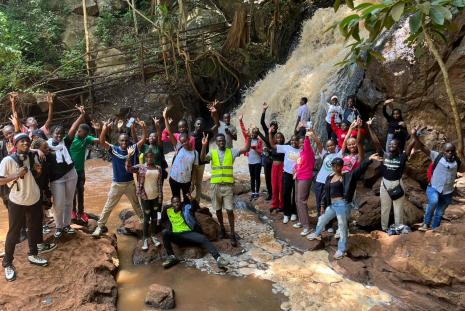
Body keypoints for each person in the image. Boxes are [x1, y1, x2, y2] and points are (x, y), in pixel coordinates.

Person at [0, 133, 49, 281]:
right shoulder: (7, 160)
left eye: (27, 141)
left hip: (33, 199)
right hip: (17, 201)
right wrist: (16, 175)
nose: (25, 143)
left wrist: (38, 172)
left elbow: (34, 176)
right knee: (14, 232)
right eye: (22, 141)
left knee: (34, 227)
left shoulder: (32, 156)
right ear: (15, 144)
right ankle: (8, 263)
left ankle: (33, 254)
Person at [307, 155, 375, 259]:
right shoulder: (329, 177)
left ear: (341, 166)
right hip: (332, 205)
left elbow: (359, 170)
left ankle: (341, 250)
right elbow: (326, 192)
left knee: (342, 226)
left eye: (338, 165)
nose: (336, 167)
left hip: (342, 204)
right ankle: (316, 233)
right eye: (334, 165)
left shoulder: (347, 176)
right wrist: (322, 204)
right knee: (322, 219)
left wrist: (369, 159)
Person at [92, 119, 146, 237]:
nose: (124, 142)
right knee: (108, 206)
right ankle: (100, 226)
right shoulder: (114, 149)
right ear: (118, 141)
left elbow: (142, 140)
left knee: (136, 204)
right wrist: (104, 128)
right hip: (117, 184)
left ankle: (143, 221)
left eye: (126, 140)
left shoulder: (132, 148)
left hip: (130, 183)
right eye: (122, 140)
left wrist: (143, 128)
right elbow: (101, 141)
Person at [200, 132, 251, 247]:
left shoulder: (231, 151)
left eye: (223, 140)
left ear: (225, 141)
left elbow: (246, 148)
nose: (221, 142)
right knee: (218, 209)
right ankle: (222, 228)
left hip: (228, 186)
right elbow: (202, 158)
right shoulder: (212, 153)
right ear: (216, 143)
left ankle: (232, 234)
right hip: (215, 186)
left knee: (229, 210)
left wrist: (248, 137)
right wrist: (204, 145)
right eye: (219, 141)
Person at [367, 117, 415, 231]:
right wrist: (369, 127)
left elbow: (410, 146)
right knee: (385, 208)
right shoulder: (384, 155)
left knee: (398, 209)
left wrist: (415, 135)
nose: (391, 146)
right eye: (390, 145)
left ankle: (399, 228)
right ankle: (384, 229)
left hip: (397, 184)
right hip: (385, 184)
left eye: (393, 145)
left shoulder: (402, 157)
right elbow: (376, 143)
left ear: (398, 147)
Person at [47, 106, 85, 238]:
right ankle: (58, 226)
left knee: (69, 201)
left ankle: (67, 224)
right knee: (58, 203)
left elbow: (73, 129)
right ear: (51, 134)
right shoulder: (46, 146)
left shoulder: (66, 142)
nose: (58, 135)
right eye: (56, 133)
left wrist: (81, 116)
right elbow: (35, 150)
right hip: (56, 179)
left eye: (60, 133)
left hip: (71, 174)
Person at [412, 130, 461, 231]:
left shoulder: (457, 161)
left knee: (439, 213)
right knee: (434, 201)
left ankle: (435, 229)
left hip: (448, 192)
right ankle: (425, 224)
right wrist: (415, 136)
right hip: (434, 187)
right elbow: (422, 147)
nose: (450, 153)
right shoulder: (437, 156)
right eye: (447, 151)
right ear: (443, 151)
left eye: (452, 151)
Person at [161, 196, 229, 269]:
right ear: (171, 204)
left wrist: (192, 199)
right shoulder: (168, 211)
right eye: (174, 202)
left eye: (178, 202)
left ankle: (218, 259)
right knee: (165, 232)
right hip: (176, 236)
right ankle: (171, 257)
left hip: (188, 234)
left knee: (203, 238)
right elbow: (161, 219)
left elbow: (194, 207)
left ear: (180, 202)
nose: (176, 204)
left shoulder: (185, 209)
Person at [126, 146, 163, 250]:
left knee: (155, 217)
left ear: (154, 158)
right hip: (145, 197)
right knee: (147, 218)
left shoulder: (158, 168)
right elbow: (128, 169)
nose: (150, 159)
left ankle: (153, 236)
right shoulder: (141, 167)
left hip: (155, 196)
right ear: (145, 158)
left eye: (151, 157)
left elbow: (159, 184)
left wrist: (160, 197)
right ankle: (145, 238)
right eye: (148, 157)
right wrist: (128, 156)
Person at [69, 123, 99, 224]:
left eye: (87, 134)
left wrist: (97, 130)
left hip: (81, 171)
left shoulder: (86, 138)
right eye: (84, 134)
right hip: (71, 171)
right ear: (79, 131)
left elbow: (98, 140)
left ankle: (81, 212)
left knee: (80, 192)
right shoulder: (71, 139)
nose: (85, 136)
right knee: (72, 193)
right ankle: (72, 211)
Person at [269, 129, 300, 224]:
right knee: (286, 193)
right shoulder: (286, 147)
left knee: (295, 194)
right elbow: (273, 145)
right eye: (292, 140)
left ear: (298, 142)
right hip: (287, 173)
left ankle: (294, 212)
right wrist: (270, 133)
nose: (293, 142)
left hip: (297, 174)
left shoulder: (301, 150)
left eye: (295, 140)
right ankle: (286, 214)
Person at [293, 128, 316, 236]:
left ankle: (307, 226)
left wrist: (306, 135)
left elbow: (306, 141)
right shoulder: (301, 152)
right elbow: (298, 164)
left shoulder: (308, 150)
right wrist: (294, 168)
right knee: (297, 200)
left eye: (303, 142)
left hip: (305, 177)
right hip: (297, 177)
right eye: (300, 142)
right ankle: (301, 221)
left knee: (302, 201)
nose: (301, 144)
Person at [167, 131, 198, 204]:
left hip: (186, 181)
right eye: (182, 142)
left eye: (185, 141)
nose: (184, 143)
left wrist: (192, 183)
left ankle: (186, 214)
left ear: (189, 139)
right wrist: (165, 119)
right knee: (176, 200)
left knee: (187, 200)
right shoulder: (179, 147)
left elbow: (194, 169)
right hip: (174, 179)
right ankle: (178, 215)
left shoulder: (195, 153)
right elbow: (170, 134)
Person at [239, 114, 263, 199]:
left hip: (258, 161)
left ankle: (257, 191)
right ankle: (253, 192)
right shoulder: (248, 139)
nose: (253, 134)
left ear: (257, 134)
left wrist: (255, 148)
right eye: (252, 133)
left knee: (257, 177)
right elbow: (243, 130)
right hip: (250, 161)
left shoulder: (259, 141)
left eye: (255, 133)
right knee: (252, 177)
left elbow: (261, 151)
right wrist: (240, 121)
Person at [313, 137, 338, 219]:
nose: (330, 147)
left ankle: (329, 224)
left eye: (332, 145)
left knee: (328, 202)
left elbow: (345, 143)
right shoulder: (325, 154)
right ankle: (320, 219)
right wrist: (312, 132)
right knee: (319, 201)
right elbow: (318, 143)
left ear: (335, 145)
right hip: (319, 181)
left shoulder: (339, 155)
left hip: (329, 183)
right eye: (328, 146)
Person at [190, 117, 214, 203]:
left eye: (201, 124)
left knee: (198, 183)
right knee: (191, 183)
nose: (199, 125)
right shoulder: (191, 136)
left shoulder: (206, 134)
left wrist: (213, 115)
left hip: (201, 163)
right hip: (192, 163)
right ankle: (188, 199)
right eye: (198, 123)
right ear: (194, 125)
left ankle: (197, 201)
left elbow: (217, 125)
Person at [260, 102, 278, 201]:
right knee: (267, 177)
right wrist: (264, 110)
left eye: (275, 126)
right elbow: (262, 122)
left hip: (274, 157)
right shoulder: (267, 132)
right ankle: (270, 194)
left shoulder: (278, 136)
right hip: (267, 157)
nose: (273, 127)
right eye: (272, 126)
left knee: (274, 177)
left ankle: (275, 194)